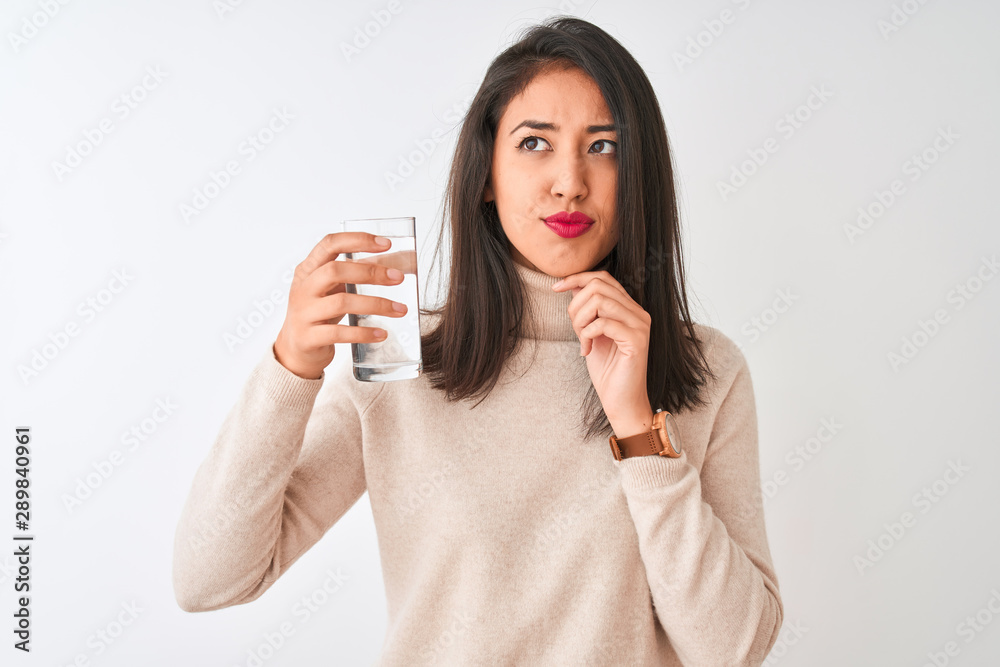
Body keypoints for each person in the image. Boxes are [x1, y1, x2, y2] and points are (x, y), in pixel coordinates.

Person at [173, 15, 783, 666]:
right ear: (486, 175)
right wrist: (290, 368)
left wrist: (638, 429)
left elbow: (735, 648)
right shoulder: (399, 361)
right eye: (534, 144)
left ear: (641, 175)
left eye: (603, 146)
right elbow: (210, 578)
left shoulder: (708, 369)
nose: (569, 180)